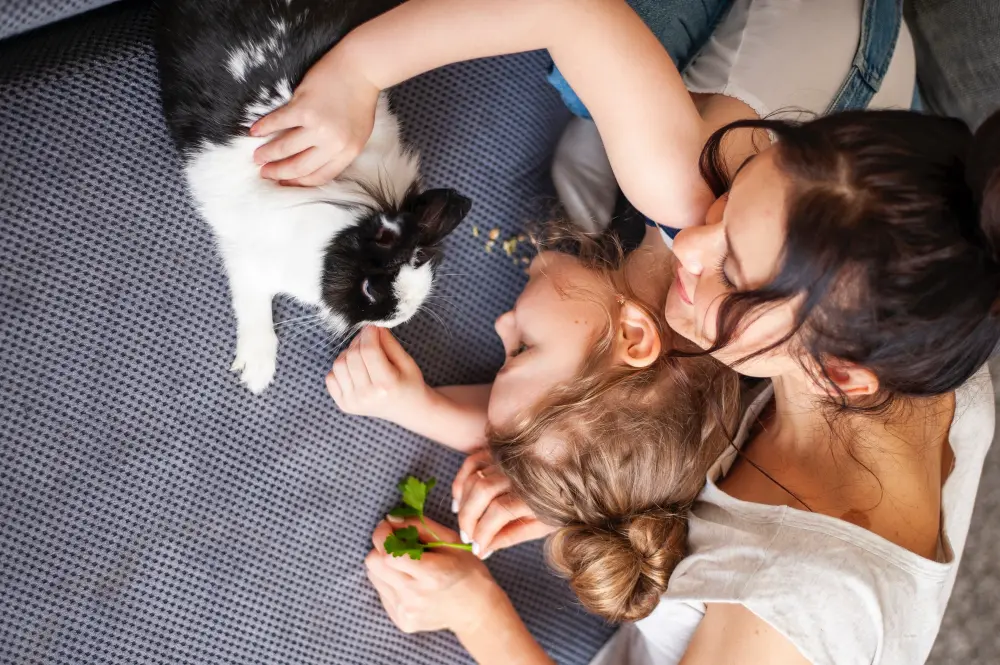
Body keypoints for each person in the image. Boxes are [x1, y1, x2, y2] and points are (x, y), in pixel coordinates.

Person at [252, 1, 1000, 663]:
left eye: (731, 268)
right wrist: (356, 72)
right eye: (739, 198)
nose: (690, 240)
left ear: (837, 376)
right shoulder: (908, 320)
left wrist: (477, 613)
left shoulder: (799, 615)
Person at [329, 223, 739, 623]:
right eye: (521, 348)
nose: (501, 325)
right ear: (633, 335)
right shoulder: (675, 191)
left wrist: (418, 406)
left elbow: (548, 419)